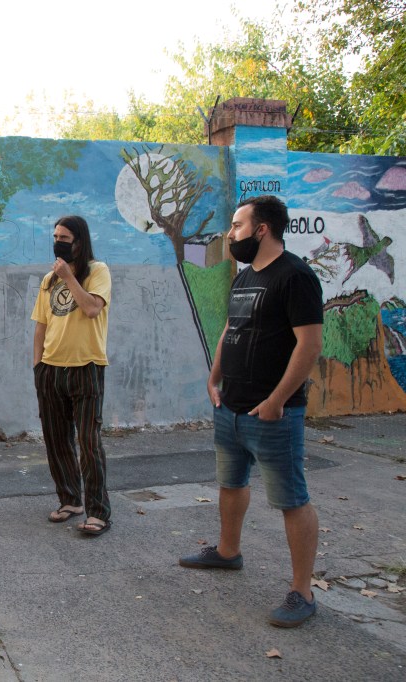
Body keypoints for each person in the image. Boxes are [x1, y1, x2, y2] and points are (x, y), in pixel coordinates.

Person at [179, 194, 324, 628]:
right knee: (230, 482)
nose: (230, 234)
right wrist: (214, 377)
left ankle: (302, 591)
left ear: (262, 229)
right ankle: (227, 551)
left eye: (238, 226)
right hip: (232, 407)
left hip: (273, 414)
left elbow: (310, 344)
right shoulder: (244, 278)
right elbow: (230, 328)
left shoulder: (294, 276)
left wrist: (278, 400)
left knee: (291, 498)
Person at [31, 215, 113, 536]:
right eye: (55, 236)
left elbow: (92, 308)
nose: (58, 241)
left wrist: (69, 278)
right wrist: (38, 367)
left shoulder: (98, 271)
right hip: (51, 369)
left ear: (79, 240)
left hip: (87, 368)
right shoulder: (47, 280)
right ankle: (70, 500)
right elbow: (41, 326)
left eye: (64, 237)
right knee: (56, 439)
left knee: (88, 441)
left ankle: (98, 512)